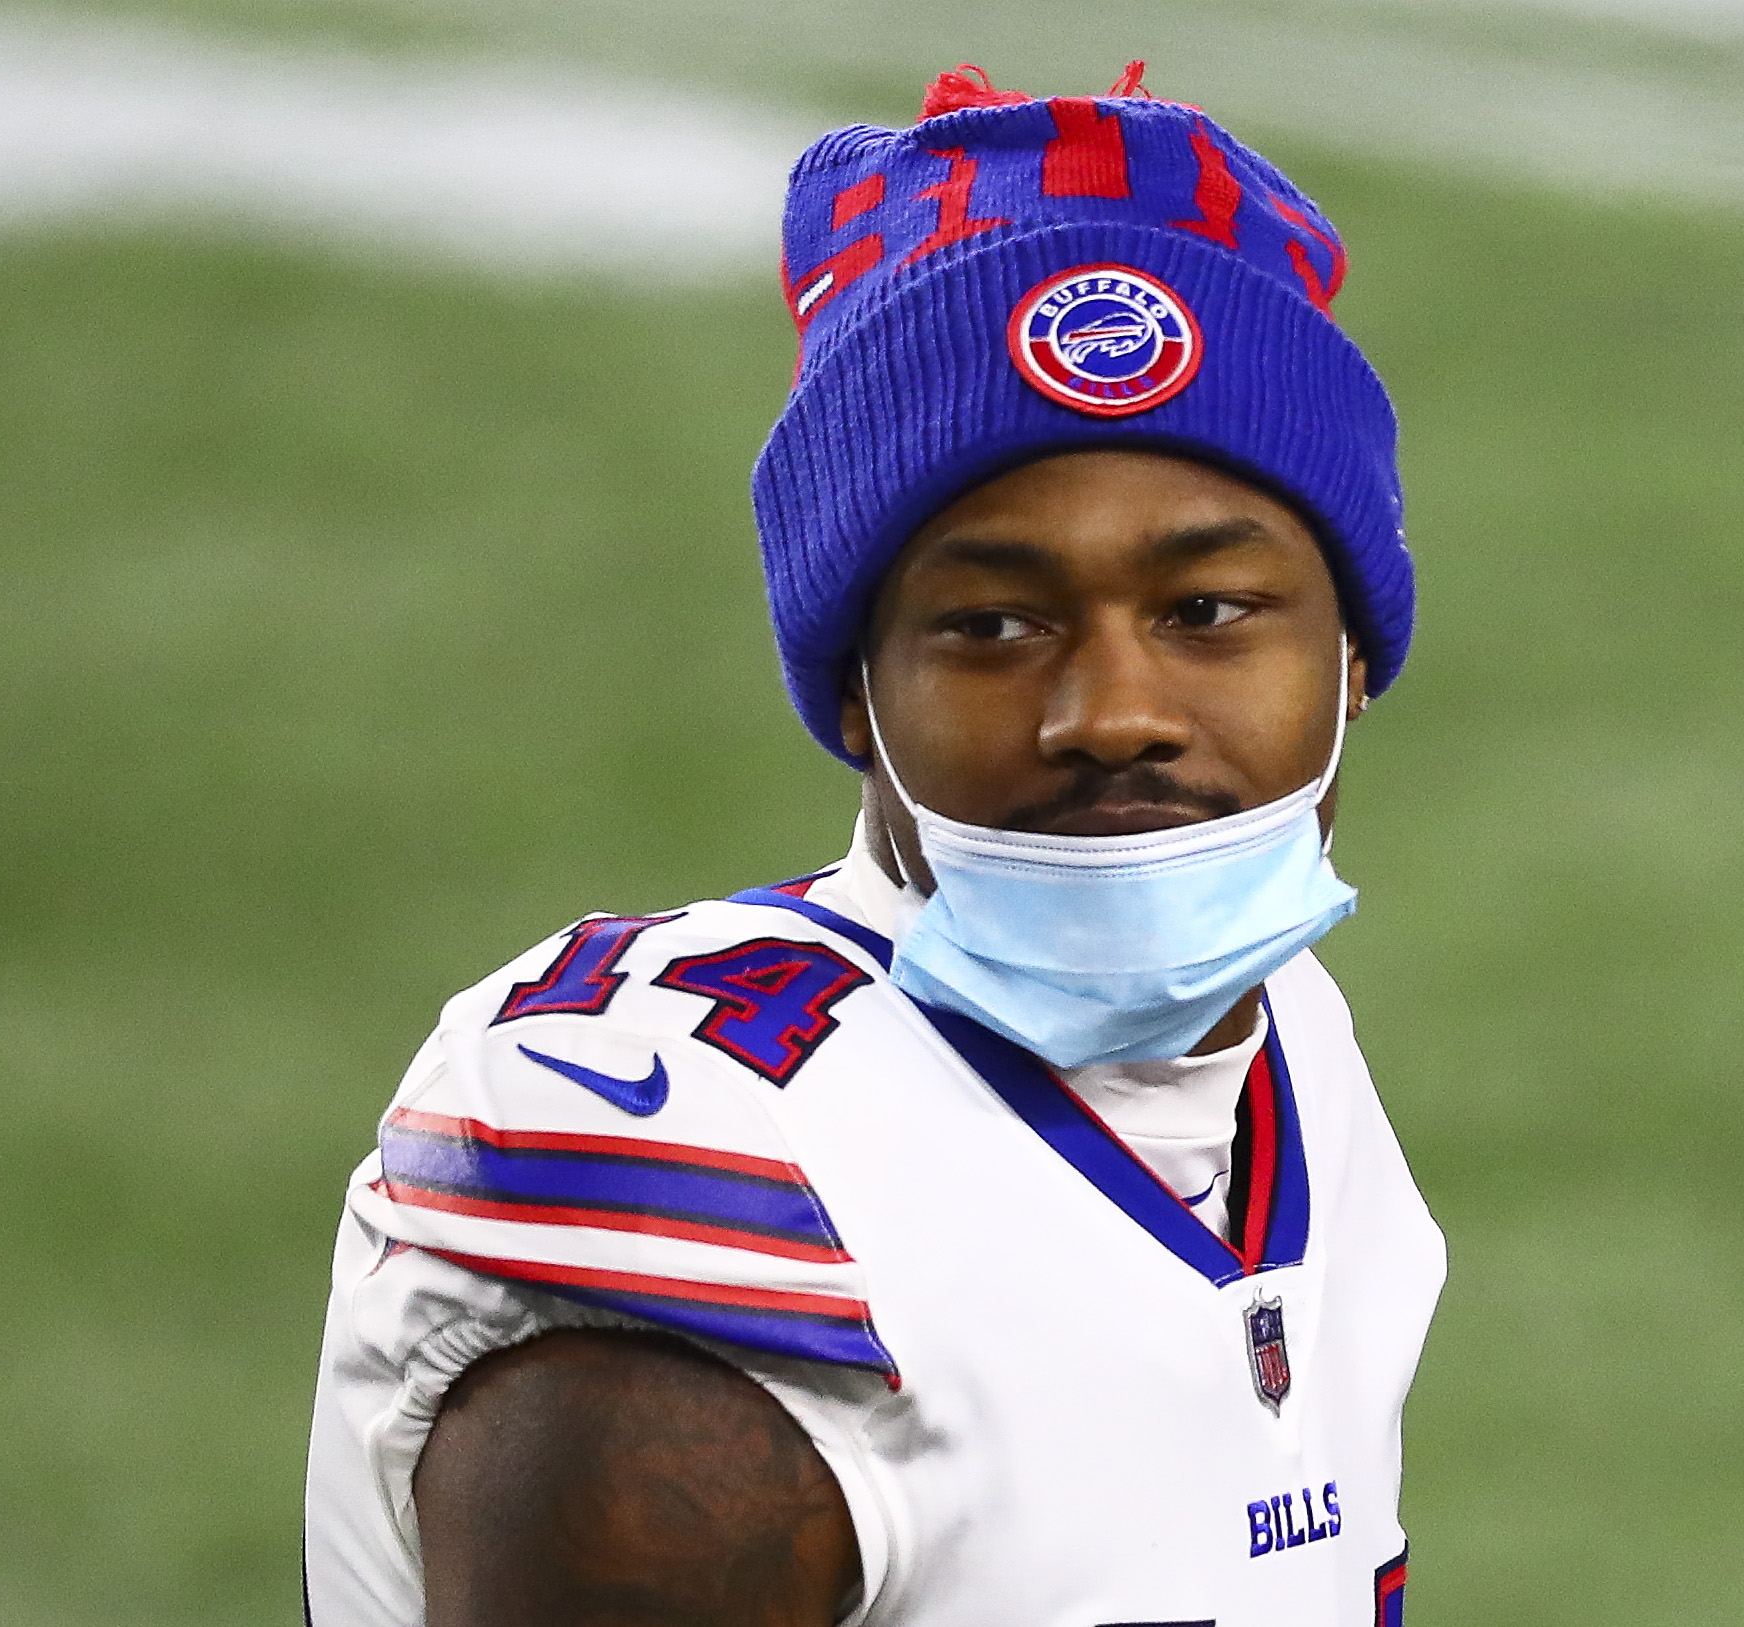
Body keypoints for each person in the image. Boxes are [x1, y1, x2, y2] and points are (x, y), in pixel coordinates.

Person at [304, 62, 1444, 1627]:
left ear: (1353, 657)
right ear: (856, 689)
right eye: (993, 624)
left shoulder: (1286, 1049)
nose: (1113, 711)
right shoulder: (728, 1181)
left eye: (1208, 612)